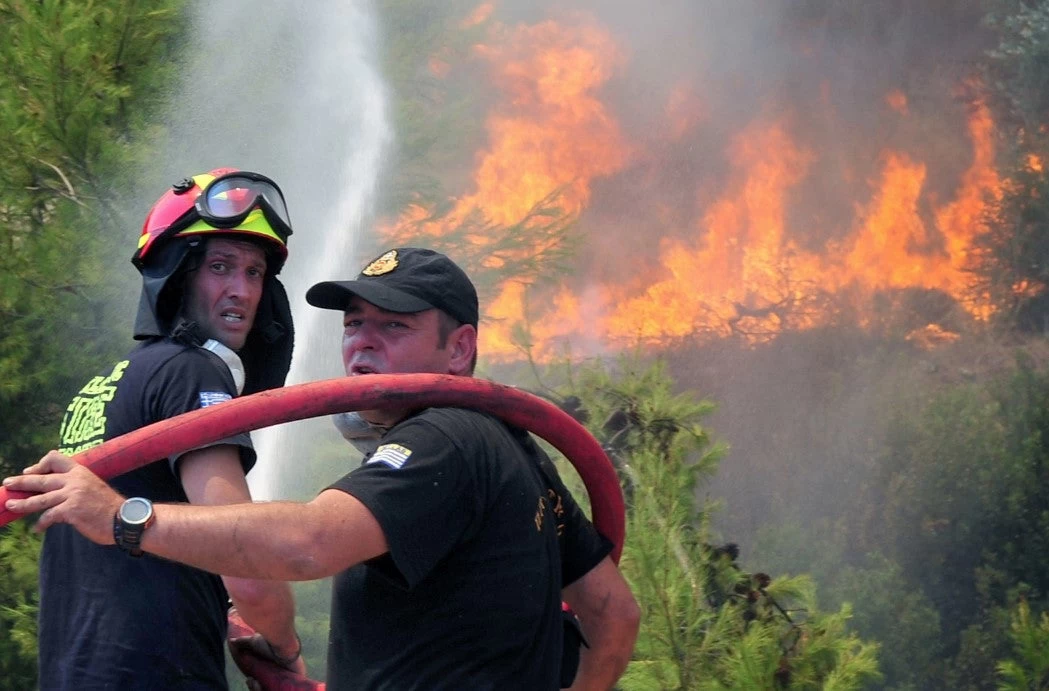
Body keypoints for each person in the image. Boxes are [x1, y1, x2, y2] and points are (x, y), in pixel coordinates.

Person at [6, 247, 640, 690]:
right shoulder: (513, 450)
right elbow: (614, 616)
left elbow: (308, 545)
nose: (362, 341)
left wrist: (122, 516)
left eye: (394, 325)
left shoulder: (444, 436)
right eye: (354, 325)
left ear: (460, 348)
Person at [30, 168, 305, 689]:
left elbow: (118, 573)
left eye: (253, 273)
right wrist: (285, 650)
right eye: (220, 267)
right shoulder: (192, 372)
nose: (241, 291)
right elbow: (243, 554)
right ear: (179, 276)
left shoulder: (106, 387)